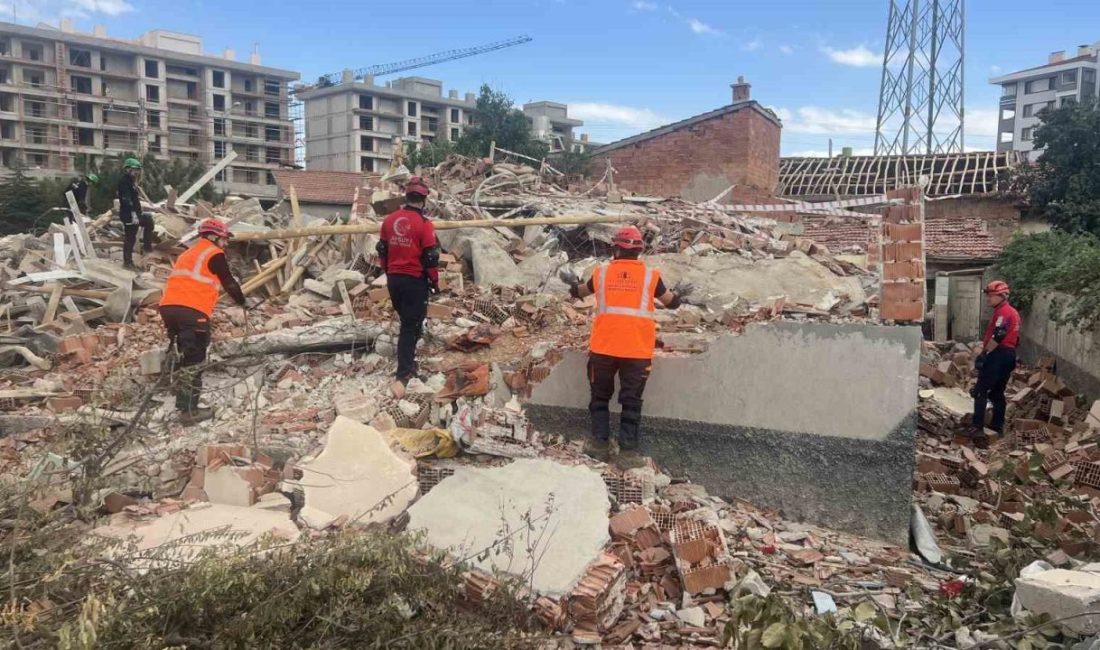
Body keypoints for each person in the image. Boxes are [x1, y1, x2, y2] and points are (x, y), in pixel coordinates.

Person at [558, 225, 692, 470]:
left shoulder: (601, 274)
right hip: (637, 352)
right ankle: (628, 452)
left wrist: (571, 283)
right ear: (639, 251)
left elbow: (580, 292)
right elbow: (671, 304)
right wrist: (681, 293)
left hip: (604, 349)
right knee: (631, 401)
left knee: (600, 398)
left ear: (615, 250)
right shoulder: (652, 277)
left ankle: (599, 444)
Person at [159, 218, 247, 425]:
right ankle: (189, 412)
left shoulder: (188, 253)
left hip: (169, 309)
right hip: (192, 312)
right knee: (195, 360)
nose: (226, 244)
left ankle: (183, 405)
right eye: (224, 239)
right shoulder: (214, 254)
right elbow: (229, 282)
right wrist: (243, 302)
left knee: (185, 355)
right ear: (213, 237)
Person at [376, 176, 440, 388]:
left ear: (407, 196)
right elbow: (430, 258)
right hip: (414, 280)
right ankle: (403, 374)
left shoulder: (388, 221)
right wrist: (435, 281)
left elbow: (382, 251)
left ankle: (409, 363)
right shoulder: (425, 225)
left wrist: (389, 273)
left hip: (394, 279)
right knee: (409, 326)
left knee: (409, 322)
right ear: (423, 199)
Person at [969, 280, 1020, 449]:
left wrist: (985, 353)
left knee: (980, 391)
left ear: (1002, 295)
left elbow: (999, 335)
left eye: (991, 296)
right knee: (997, 392)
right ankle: (998, 427)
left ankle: (977, 427)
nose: (988, 299)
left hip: (999, 353)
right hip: (1009, 354)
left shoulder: (1004, 312)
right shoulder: (1011, 312)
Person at [117, 157, 154, 270]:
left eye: (138, 170)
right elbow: (126, 200)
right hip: (128, 215)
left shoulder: (131, 181)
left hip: (136, 213)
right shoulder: (124, 182)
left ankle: (147, 248)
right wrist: (133, 214)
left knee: (149, 221)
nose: (137, 172)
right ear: (128, 169)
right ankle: (127, 262)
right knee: (130, 238)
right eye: (135, 169)